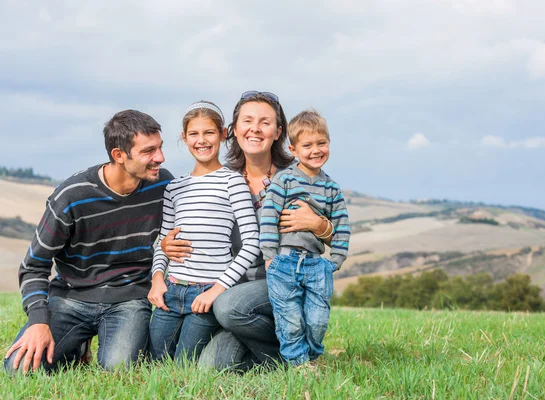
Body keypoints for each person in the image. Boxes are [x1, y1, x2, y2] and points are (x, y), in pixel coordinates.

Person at [160, 91, 334, 370]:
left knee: (229, 308)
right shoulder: (222, 179)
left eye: (265, 122)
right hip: (233, 285)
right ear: (235, 130)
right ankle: (279, 354)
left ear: (278, 132)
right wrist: (168, 246)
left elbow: (334, 231)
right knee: (211, 367)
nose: (255, 128)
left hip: (283, 281)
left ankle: (298, 349)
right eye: (248, 121)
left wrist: (319, 225)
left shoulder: (299, 174)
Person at [3, 110, 173, 373]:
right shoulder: (71, 197)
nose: (160, 157)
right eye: (149, 151)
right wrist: (38, 321)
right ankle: (76, 345)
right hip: (72, 296)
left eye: (160, 147)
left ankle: (83, 343)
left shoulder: (162, 184)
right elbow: (34, 266)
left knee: (119, 369)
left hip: (130, 297)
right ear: (119, 155)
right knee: (18, 369)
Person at [147, 101, 260, 362]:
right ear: (184, 138)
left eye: (209, 133)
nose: (202, 141)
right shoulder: (174, 187)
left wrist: (217, 290)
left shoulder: (233, 182)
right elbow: (164, 241)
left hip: (208, 292)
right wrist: (157, 279)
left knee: (183, 364)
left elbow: (252, 242)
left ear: (222, 134)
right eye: (194, 134)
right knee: (153, 362)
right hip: (171, 290)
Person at [260, 109, 350, 366]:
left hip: (315, 264)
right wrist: (269, 257)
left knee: (317, 319)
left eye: (321, 143)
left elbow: (342, 223)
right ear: (293, 149)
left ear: (329, 143)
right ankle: (297, 365)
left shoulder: (331, 188)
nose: (315, 150)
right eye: (307, 145)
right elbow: (268, 217)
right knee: (289, 319)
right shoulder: (285, 179)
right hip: (284, 262)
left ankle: (312, 356)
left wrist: (335, 259)